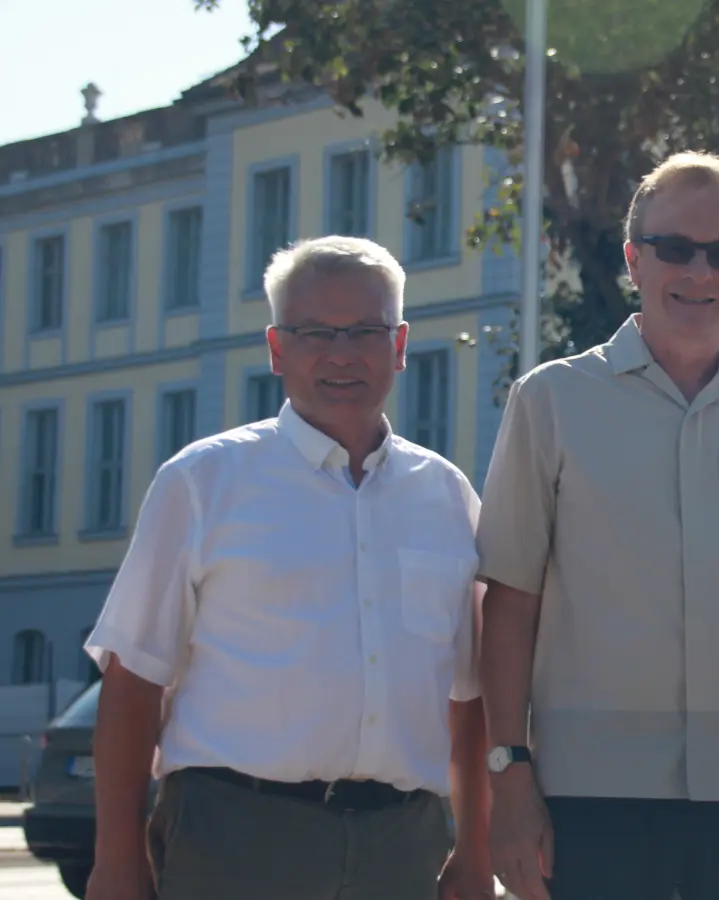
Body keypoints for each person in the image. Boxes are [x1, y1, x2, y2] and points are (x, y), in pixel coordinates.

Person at [477, 151, 719, 900]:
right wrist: (509, 781)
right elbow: (508, 607)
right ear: (634, 259)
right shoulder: (552, 402)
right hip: (588, 804)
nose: (700, 272)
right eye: (676, 249)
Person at [82, 236, 493, 900]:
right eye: (313, 334)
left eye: (365, 330)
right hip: (235, 841)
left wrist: (474, 853)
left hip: (403, 848)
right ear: (276, 348)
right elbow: (133, 683)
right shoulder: (202, 482)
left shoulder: (447, 497)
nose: (341, 353)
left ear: (400, 343)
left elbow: (471, 700)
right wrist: (118, 860)